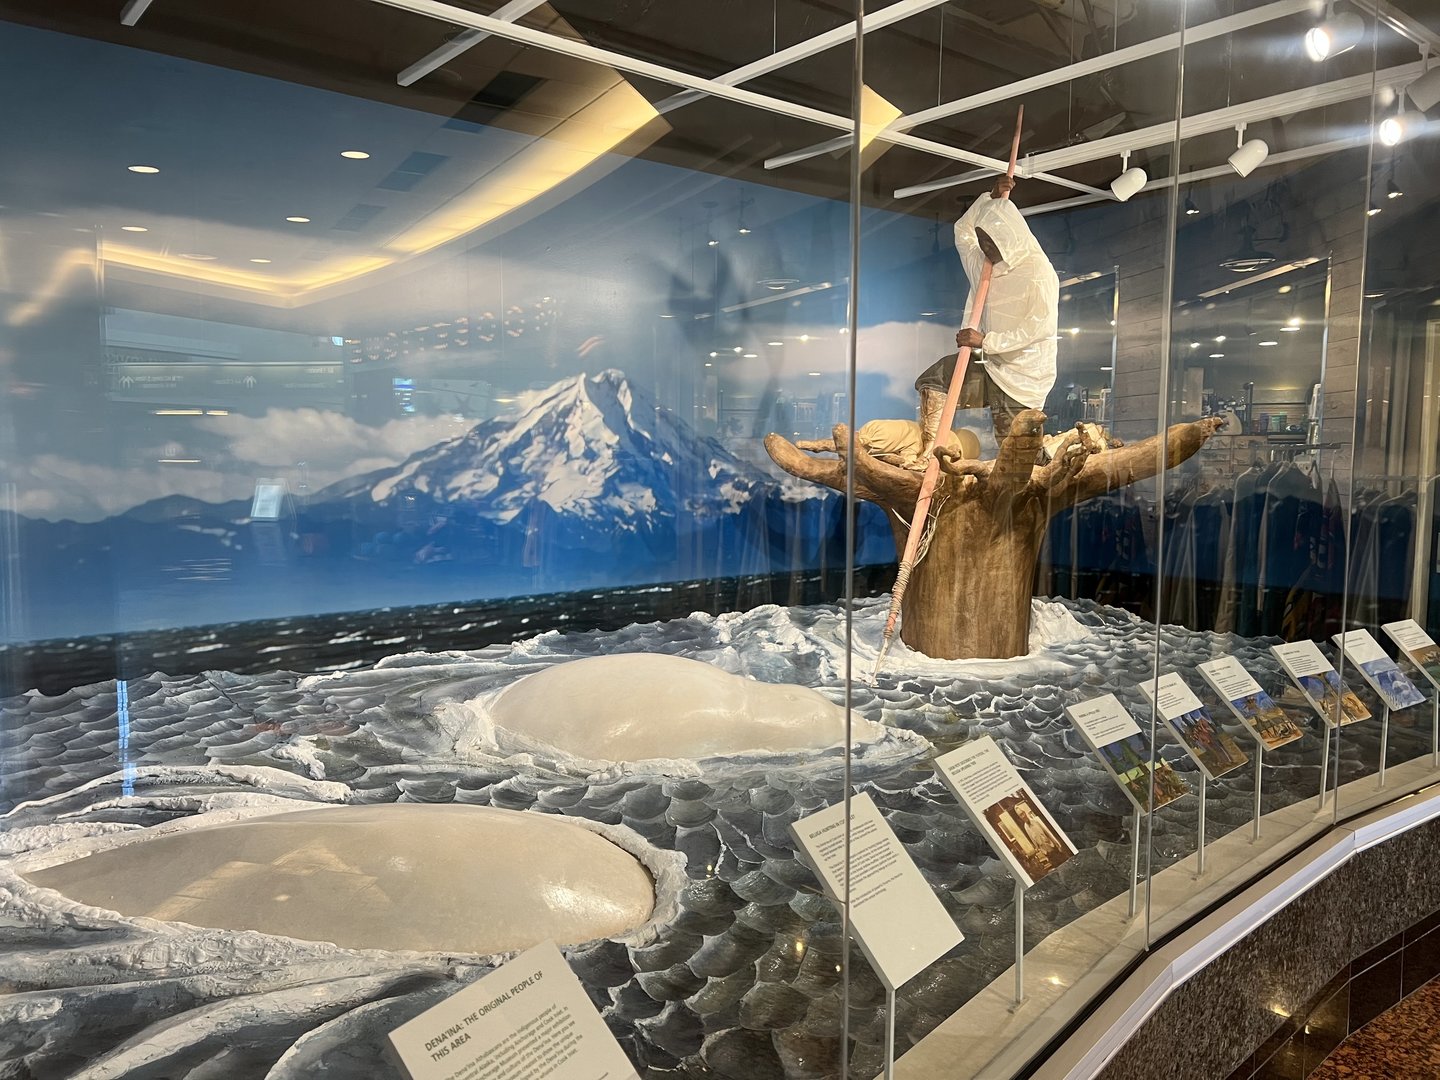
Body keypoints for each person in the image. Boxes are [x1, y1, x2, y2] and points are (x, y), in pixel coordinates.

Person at [916, 175, 1060, 451]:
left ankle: (1056, 458)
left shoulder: (1038, 272)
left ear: (1009, 238)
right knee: (935, 380)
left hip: (1023, 376)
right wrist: (989, 197)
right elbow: (963, 231)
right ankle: (929, 452)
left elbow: (1039, 328)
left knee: (1015, 451)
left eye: (991, 241)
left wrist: (985, 341)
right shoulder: (984, 264)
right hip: (990, 364)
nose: (985, 246)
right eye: (983, 240)